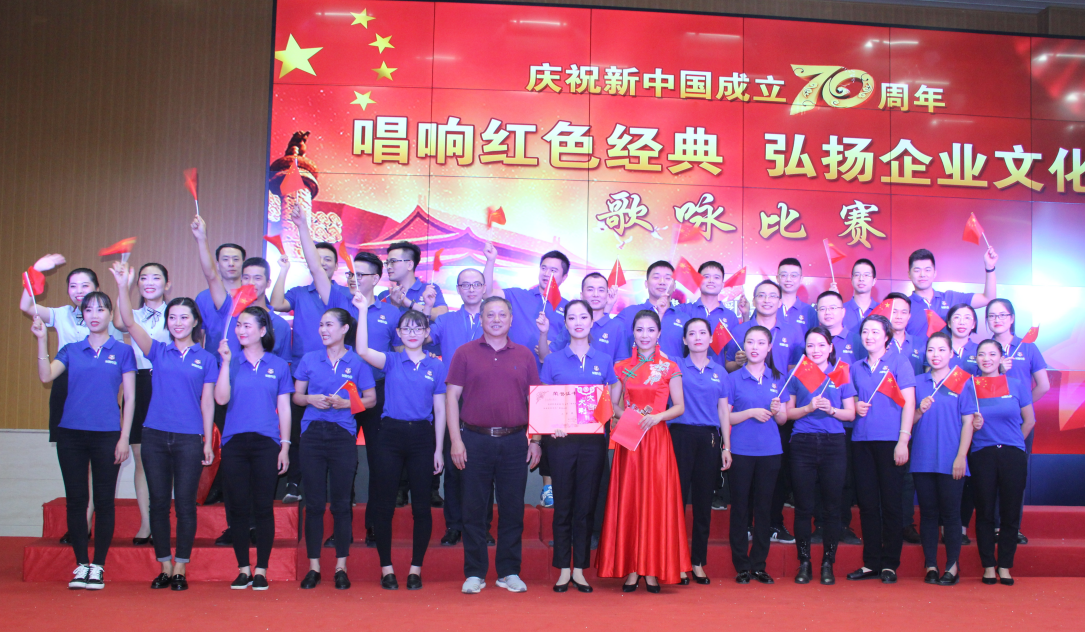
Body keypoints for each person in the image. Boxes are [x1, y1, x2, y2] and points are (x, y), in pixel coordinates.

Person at [110, 263, 216, 590]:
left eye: (184, 317)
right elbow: (128, 321)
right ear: (166, 323)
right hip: (154, 436)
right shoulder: (157, 351)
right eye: (172, 317)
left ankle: (181, 567)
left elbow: (208, 403)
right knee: (158, 503)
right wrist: (123, 285)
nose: (178, 322)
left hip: (188, 439)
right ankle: (164, 566)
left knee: (184, 505)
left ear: (195, 321)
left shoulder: (206, 359)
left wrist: (207, 441)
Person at [32, 292, 136, 590]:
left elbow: (130, 398)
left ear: (110, 315)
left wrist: (124, 438)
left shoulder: (123, 351)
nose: (94, 315)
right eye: (88, 310)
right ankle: (80, 564)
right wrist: (42, 339)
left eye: (100, 309)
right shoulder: (71, 349)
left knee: (104, 501)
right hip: (71, 435)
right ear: (82, 315)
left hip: (107, 435)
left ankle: (98, 566)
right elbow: (46, 376)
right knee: (76, 501)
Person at [20, 257, 121, 542]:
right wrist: (37, 270)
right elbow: (27, 306)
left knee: (99, 462)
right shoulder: (62, 313)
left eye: (85, 285)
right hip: (66, 383)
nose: (78, 291)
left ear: (97, 287)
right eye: (73, 286)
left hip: (99, 389)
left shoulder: (108, 315)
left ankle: (88, 521)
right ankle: (81, 522)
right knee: (77, 462)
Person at [446, 296, 541, 594]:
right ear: (482, 319)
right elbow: (451, 397)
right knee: (473, 509)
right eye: (490, 315)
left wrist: (536, 439)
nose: (496, 320)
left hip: (514, 441)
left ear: (511, 320)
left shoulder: (525, 355)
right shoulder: (464, 353)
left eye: (502, 315)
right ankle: (475, 572)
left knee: (512, 509)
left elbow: (535, 399)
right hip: (474, 440)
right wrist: (456, 440)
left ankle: (509, 571)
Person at [354, 295, 446, 590]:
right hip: (390, 436)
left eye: (418, 328)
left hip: (422, 437)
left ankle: (415, 569)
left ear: (427, 333)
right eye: (406, 328)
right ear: (399, 333)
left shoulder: (436, 367)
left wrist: (438, 449)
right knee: (384, 505)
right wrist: (362, 310)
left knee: (421, 507)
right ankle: (387, 569)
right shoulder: (391, 361)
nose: (412, 333)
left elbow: (441, 410)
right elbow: (361, 350)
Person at [597, 310, 688, 593]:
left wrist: (658, 417)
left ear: (659, 333)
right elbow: (612, 405)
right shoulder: (621, 367)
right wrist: (631, 416)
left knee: (657, 502)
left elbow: (679, 406)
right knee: (630, 500)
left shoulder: (669, 367)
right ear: (633, 334)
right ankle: (633, 569)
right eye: (639, 329)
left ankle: (652, 569)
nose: (645, 335)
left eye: (650, 330)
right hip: (630, 439)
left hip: (658, 440)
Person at [270, 211, 356, 504]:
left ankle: (343, 491)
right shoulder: (300, 292)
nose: (321, 263)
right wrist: (283, 270)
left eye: (328, 259)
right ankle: (294, 483)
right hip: (303, 370)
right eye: (316, 258)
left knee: (339, 430)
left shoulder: (341, 294)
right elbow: (276, 303)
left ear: (336, 266)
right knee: (299, 429)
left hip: (337, 371)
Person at [539, 300, 620, 593]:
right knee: (563, 506)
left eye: (583, 317)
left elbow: (611, 396)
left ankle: (580, 569)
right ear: (565, 323)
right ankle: (563, 569)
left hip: (593, 442)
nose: (577, 322)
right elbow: (543, 400)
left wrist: (606, 412)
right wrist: (551, 424)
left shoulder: (604, 360)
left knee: (586, 507)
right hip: (561, 442)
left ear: (591, 321)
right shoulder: (553, 360)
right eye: (571, 317)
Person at [293, 307, 377, 590]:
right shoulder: (309, 358)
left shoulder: (358, 361)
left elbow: (371, 399)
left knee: (341, 504)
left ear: (344, 329)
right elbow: (296, 396)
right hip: (312, 434)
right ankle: (314, 567)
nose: (323, 330)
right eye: (321, 325)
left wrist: (347, 403)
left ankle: (341, 566)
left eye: (329, 325)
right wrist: (311, 399)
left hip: (342, 435)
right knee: (315, 504)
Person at [214, 307, 293, 591]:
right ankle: (243, 569)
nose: (241, 330)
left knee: (263, 507)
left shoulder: (279, 365)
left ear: (262, 330)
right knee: (237, 507)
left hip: (266, 443)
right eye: (238, 325)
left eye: (247, 325)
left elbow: (285, 408)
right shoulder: (230, 361)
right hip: (234, 443)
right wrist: (225, 364)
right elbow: (221, 399)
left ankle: (261, 570)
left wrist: (285, 445)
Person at [726, 280, 801, 544]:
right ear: (754, 299)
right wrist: (738, 363)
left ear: (780, 301)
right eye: (761, 295)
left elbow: (794, 369)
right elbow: (728, 365)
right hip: (744, 410)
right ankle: (745, 528)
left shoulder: (792, 331)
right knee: (743, 485)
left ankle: (773, 525)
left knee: (772, 481)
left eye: (772, 296)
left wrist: (782, 403)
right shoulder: (739, 330)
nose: (766, 300)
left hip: (776, 407)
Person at [427, 267, 493, 546]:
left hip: (487, 397)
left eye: (476, 284)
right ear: (457, 289)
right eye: (465, 285)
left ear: (484, 287)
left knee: (484, 466)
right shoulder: (445, 320)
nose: (471, 289)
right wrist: (425, 308)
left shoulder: (494, 319)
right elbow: (423, 338)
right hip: (451, 398)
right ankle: (453, 525)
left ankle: (481, 526)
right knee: (454, 464)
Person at [847, 315, 915, 584]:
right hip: (861, 441)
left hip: (891, 442)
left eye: (875, 332)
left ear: (887, 336)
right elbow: (850, 397)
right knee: (867, 504)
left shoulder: (899, 362)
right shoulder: (856, 367)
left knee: (891, 504)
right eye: (865, 331)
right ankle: (871, 562)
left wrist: (903, 440)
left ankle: (890, 564)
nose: (869, 336)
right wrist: (855, 404)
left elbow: (909, 404)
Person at [786, 326, 857, 585]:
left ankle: (828, 562)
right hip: (802, 443)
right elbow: (788, 414)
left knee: (832, 507)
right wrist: (808, 408)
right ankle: (804, 562)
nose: (815, 350)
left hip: (833, 444)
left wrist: (832, 410)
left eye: (820, 345)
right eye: (810, 345)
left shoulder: (841, 372)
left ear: (830, 348)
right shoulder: (797, 373)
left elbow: (850, 413)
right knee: (803, 507)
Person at [912, 332, 979, 586]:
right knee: (928, 514)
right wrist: (919, 410)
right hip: (922, 458)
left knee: (951, 514)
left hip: (952, 459)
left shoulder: (962, 381)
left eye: (942, 350)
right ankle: (931, 565)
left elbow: (968, 422)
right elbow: (907, 420)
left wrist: (961, 456)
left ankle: (952, 566)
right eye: (931, 350)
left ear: (951, 353)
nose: (936, 355)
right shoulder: (917, 382)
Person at [343, 250, 400, 547]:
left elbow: (401, 356)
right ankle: (341, 528)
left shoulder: (391, 313)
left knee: (380, 462)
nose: (353, 279)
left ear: (376, 279)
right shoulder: (340, 308)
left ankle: (375, 526)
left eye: (360, 274)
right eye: (350, 274)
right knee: (342, 461)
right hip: (341, 393)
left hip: (378, 392)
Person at [669, 318, 731, 586]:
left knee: (704, 502)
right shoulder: (675, 367)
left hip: (709, 439)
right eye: (691, 333)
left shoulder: (720, 372)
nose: (697, 337)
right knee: (676, 501)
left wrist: (727, 446)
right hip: (679, 436)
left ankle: (697, 561)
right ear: (684, 340)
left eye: (702, 333)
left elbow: (723, 411)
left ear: (710, 338)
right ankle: (677, 561)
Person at [970, 339, 1035, 586]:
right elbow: (963, 423)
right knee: (985, 511)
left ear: (1001, 358)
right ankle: (988, 565)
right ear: (976, 358)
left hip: (1012, 455)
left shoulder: (1016, 385)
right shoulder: (971, 386)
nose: (986, 359)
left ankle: (1005, 565)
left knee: (1010, 512)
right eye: (981, 354)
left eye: (992, 354)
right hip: (982, 454)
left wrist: (1013, 443)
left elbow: (1029, 420)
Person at [984, 298, 1049, 545]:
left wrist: (1021, 407)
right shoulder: (984, 348)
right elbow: (978, 386)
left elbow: (1044, 385)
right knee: (990, 477)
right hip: (989, 425)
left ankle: (1011, 527)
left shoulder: (1028, 347)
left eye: (1002, 315)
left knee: (1014, 477)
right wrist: (998, 370)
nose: (997, 320)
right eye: (992, 315)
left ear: (1011, 318)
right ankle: (992, 526)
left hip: (1019, 424)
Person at [726, 326, 787, 584]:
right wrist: (751, 412)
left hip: (770, 452)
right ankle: (741, 565)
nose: (755, 347)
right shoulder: (733, 378)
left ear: (769, 347)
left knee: (764, 508)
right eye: (750, 342)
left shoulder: (778, 378)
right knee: (740, 507)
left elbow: (783, 420)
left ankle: (759, 565)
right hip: (740, 450)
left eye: (761, 343)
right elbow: (726, 417)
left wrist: (777, 409)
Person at [811, 292, 863, 546]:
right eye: (823, 308)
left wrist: (856, 401)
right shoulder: (811, 340)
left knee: (844, 478)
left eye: (833, 308)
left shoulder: (856, 339)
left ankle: (843, 525)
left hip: (846, 421)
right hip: (815, 422)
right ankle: (820, 524)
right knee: (818, 477)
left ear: (843, 312)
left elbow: (864, 373)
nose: (828, 312)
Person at [882, 292, 925, 544]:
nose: (897, 316)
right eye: (892, 311)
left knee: (907, 474)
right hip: (883, 416)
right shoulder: (874, 340)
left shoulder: (921, 344)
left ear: (909, 316)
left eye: (903, 312)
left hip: (915, 416)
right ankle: (883, 522)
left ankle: (906, 523)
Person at [905, 247, 998, 337]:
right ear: (909, 274)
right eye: (917, 270)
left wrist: (990, 268)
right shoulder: (904, 306)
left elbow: (988, 299)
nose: (922, 274)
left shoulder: (951, 298)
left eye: (927, 270)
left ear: (934, 273)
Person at [613, 261, 687, 359]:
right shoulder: (629, 313)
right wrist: (608, 306)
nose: (662, 282)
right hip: (636, 369)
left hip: (673, 369)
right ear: (646, 284)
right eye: (656, 277)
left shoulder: (684, 318)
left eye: (668, 278)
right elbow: (606, 335)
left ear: (674, 286)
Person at [553, 272, 625, 365]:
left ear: (607, 295)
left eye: (601, 290)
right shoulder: (573, 324)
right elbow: (551, 355)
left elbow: (620, 365)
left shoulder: (617, 327)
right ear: (581, 295)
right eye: (590, 289)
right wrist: (544, 333)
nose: (596, 294)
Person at [680, 262, 741, 363]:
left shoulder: (730, 316)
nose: (711, 281)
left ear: (722, 284)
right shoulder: (684, 310)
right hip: (687, 371)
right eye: (706, 276)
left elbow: (731, 354)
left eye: (716, 277)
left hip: (720, 372)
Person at [377, 240, 448, 317]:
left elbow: (443, 315)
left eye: (393, 261)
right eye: (387, 263)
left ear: (410, 265)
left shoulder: (429, 289)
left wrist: (410, 304)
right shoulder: (385, 295)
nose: (388, 267)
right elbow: (380, 322)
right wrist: (394, 305)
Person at [776, 258, 816, 331]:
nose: (788, 279)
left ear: (801, 279)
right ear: (777, 278)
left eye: (794, 275)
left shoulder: (809, 311)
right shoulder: (767, 306)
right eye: (784, 275)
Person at [840, 259, 877, 333]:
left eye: (866, 275)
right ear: (851, 280)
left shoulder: (882, 310)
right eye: (857, 275)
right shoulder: (841, 310)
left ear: (874, 281)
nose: (861, 279)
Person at [945, 303, 980, 375]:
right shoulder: (940, 348)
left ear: (973, 324)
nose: (962, 322)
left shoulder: (980, 350)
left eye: (967, 318)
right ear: (949, 323)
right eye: (957, 317)